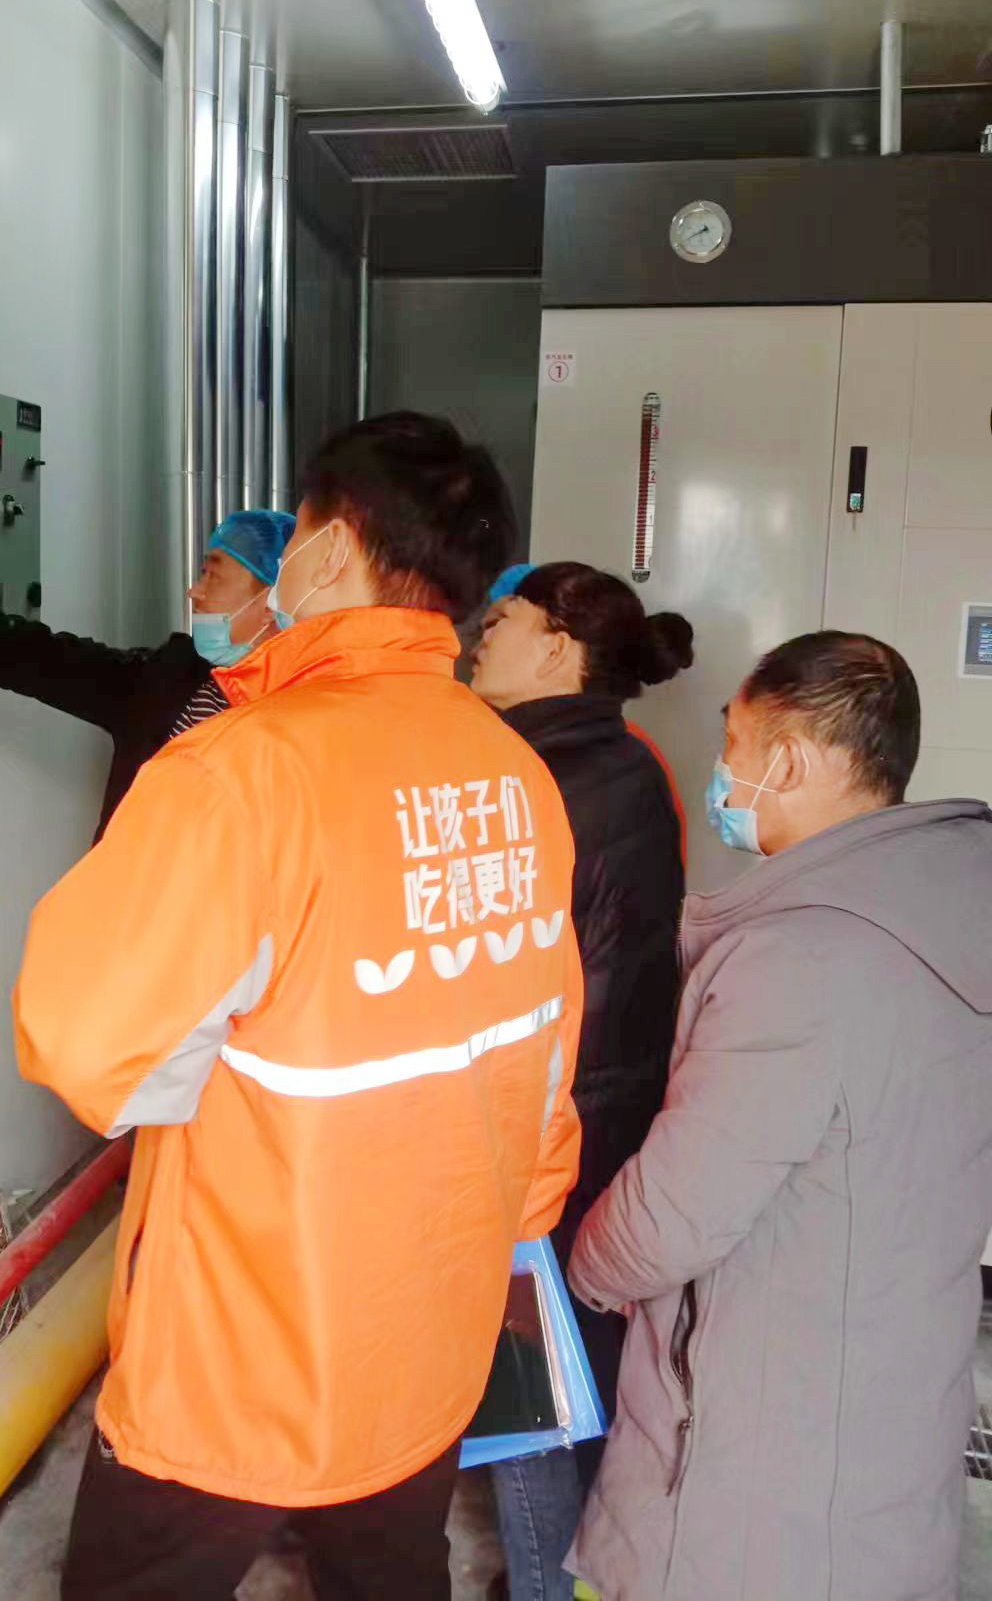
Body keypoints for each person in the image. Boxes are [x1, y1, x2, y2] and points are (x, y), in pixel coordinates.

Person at [13, 411, 587, 1600]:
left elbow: (87, 1045)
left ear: (328, 548)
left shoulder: (241, 770)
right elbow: (542, 1055)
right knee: (389, 1575)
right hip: (426, 1329)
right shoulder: (515, 774)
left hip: (237, 1360)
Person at [567, 630, 992, 1601]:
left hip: (759, 1459)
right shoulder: (951, 900)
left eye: (733, 745)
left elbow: (670, 1217)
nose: (721, 773)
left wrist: (580, 1274)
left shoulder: (802, 958)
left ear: (789, 762)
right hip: (888, 1402)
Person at [471, 562, 693, 1601]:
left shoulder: (532, 778)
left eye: (502, 621)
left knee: (524, 1383)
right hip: (601, 1110)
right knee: (572, 1362)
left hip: (541, 1122)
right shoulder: (620, 761)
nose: (480, 636)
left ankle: (547, 1585)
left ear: (558, 648)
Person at [0, 508, 294, 842]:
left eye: (213, 576)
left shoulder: (305, 718)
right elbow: (33, 656)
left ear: (272, 600)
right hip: (131, 922)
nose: (194, 591)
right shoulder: (168, 680)